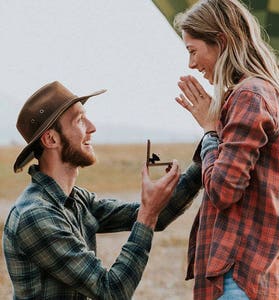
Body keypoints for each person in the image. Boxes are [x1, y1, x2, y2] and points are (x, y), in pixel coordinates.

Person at [2, 81, 202, 299]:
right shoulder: (36, 216)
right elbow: (112, 291)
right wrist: (148, 214)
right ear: (51, 139)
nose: (92, 127)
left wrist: (209, 146)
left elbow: (158, 215)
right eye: (79, 120)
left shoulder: (77, 200)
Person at [174, 0, 279, 299]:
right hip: (264, 275)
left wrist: (209, 131)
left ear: (221, 41)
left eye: (193, 50)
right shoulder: (266, 93)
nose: (191, 64)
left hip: (240, 277)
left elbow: (223, 189)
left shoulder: (249, 94)